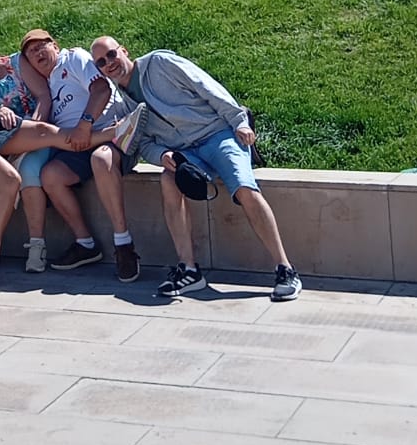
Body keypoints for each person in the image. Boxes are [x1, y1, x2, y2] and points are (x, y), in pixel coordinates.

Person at [90, 38, 302, 301]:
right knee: (168, 180)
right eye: (101, 62)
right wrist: (163, 155)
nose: (109, 63)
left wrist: (239, 122)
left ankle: (285, 269)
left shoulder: (160, 63)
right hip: (185, 151)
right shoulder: (122, 105)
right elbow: (143, 143)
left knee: (244, 188)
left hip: (218, 135)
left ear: (124, 51)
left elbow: (206, 86)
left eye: (112, 55)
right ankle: (189, 269)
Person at [0, 32, 100, 290]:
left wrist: (32, 128)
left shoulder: (18, 63)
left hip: (37, 133)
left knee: (29, 171)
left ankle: (36, 245)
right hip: (2, 141)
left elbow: (43, 96)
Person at [14, 29, 141, 279]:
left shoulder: (72, 59)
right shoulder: (45, 86)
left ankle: (123, 244)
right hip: (76, 145)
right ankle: (85, 244)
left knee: (100, 159)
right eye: (31, 52)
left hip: (110, 131)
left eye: (42, 46)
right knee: (50, 176)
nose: (38, 53)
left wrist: (84, 124)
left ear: (56, 46)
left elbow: (102, 90)